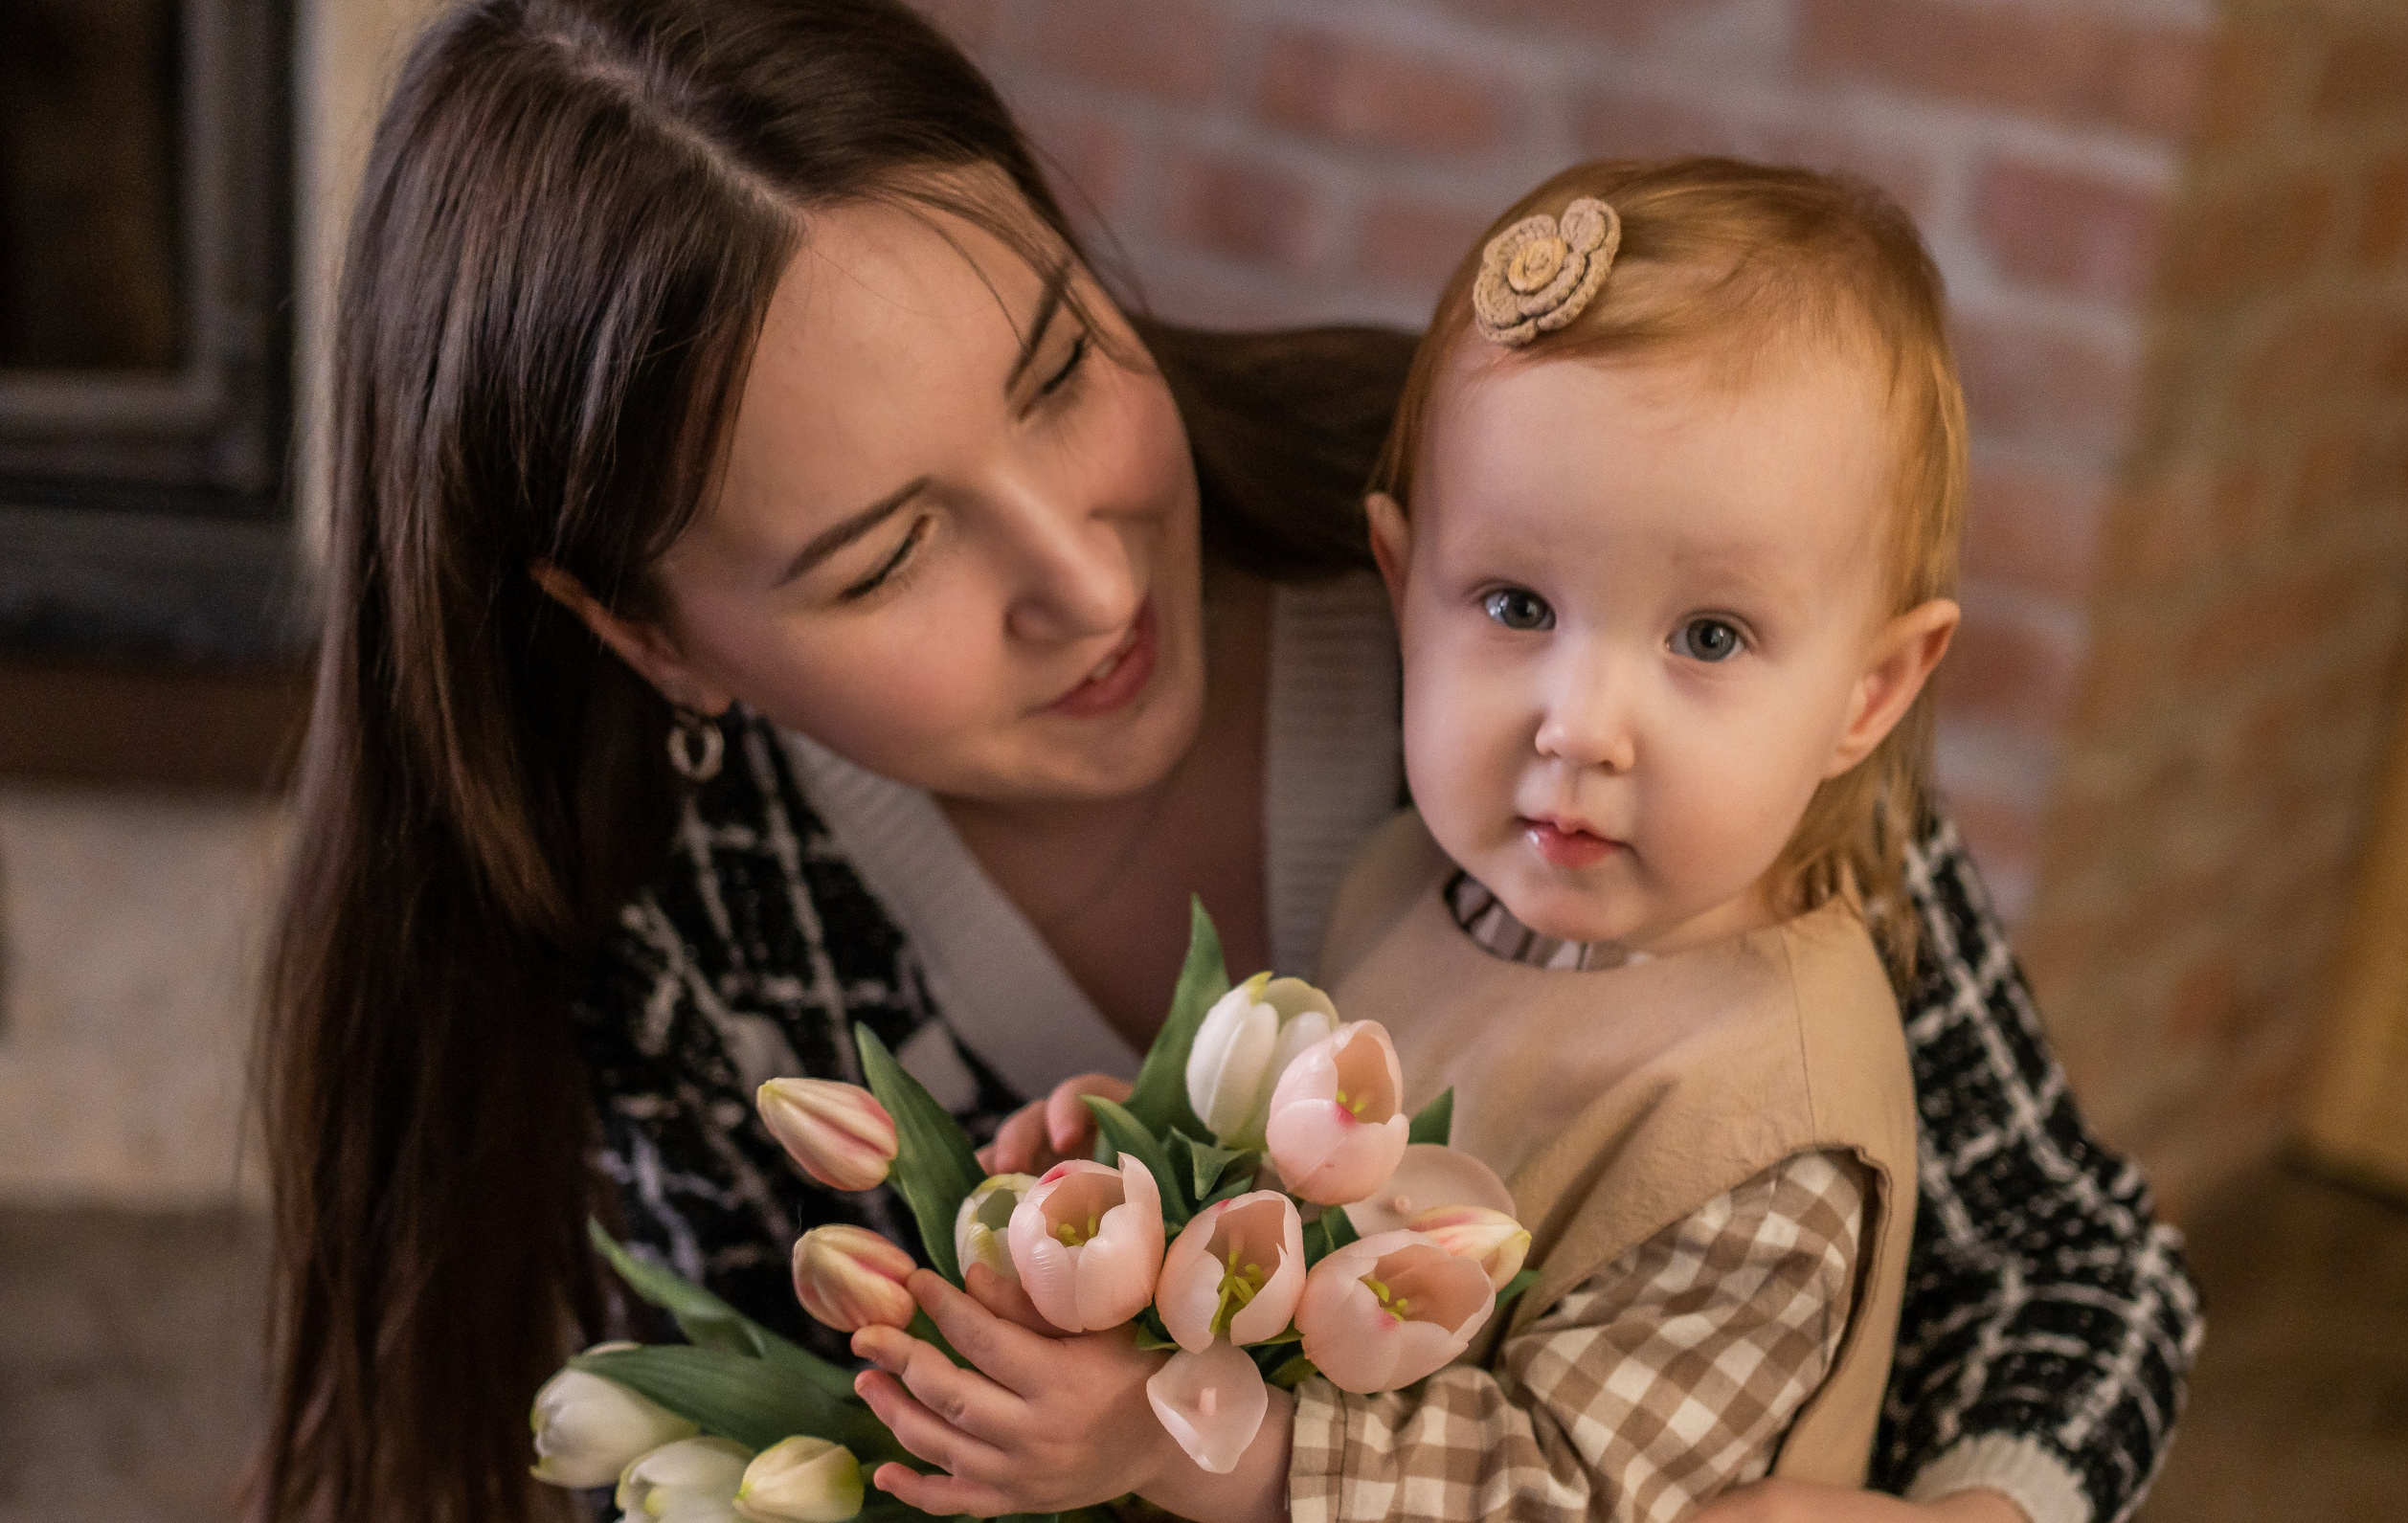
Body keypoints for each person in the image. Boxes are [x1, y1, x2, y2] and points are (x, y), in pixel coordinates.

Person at [254, 3, 2199, 1522]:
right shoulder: (684, 914)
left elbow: (2056, 1253)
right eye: (887, 551)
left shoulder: (1569, 542)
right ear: (652, 633)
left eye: (1058, 368)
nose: (1085, 576)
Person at [848, 155, 1956, 1521]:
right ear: (1401, 582)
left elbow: (1567, 1492)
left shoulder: (1770, 1126)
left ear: (1870, 695)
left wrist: (1179, 1446)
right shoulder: (1414, 887)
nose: (1583, 725)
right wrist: (1138, 1186)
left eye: (1709, 637)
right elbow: (1297, 1244)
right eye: (1514, 604)